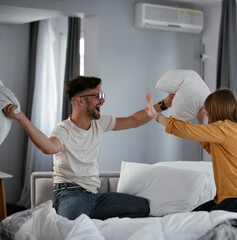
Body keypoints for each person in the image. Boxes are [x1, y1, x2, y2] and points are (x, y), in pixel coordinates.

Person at [2, 75, 174, 220]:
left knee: (142, 207)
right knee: (71, 229)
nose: (103, 99)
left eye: (102, 94)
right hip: (70, 194)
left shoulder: (100, 123)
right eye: (97, 96)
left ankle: (88, 214)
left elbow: (135, 120)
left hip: (94, 197)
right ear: (80, 101)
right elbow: (48, 147)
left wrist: (164, 104)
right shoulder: (64, 130)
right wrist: (22, 118)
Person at [144, 89, 237, 218]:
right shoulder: (234, 128)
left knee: (199, 223)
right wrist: (201, 123)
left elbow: (185, 130)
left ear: (218, 108)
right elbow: (212, 149)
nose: (206, 112)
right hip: (229, 198)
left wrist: (156, 115)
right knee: (189, 219)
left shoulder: (226, 128)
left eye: (208, 109)